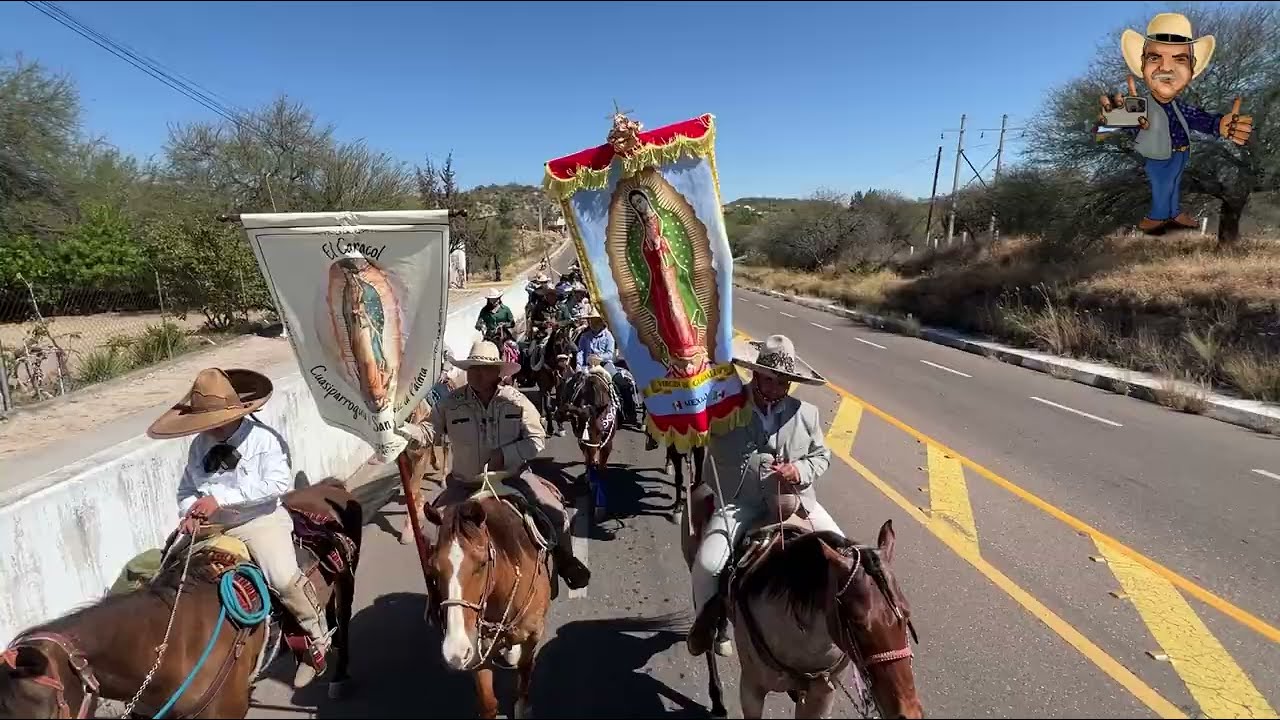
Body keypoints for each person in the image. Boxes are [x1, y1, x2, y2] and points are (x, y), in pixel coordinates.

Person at [146, 368, 331, 687]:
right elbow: (187, 489)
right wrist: (190, 510)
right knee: (167, 574)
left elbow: (276, 484)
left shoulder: (264, 439)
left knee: (283, 579)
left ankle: (317, 638)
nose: (208, 427)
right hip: (213, 526)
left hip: (258, 520)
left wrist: (221, 499)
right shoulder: (199, 445)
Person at [685, 335, 839, 657]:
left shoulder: (806, 413)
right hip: (740, 502)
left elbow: (822, 456)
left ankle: (841, 637)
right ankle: (706, 625)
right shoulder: (724, 404)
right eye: (769, 380)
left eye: (783, 382)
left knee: (844, 557)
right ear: (755, 375)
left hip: (796, 503)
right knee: (708, 564)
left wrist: (799, 470)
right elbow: (694, 421)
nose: (775, 388)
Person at [399, 340, 591, 590]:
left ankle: (566, 563)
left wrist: (506, 454)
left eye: (484, 368)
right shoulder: (451, 403)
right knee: (433, 534)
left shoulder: (516, 400)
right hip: (466, 484)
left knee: (556, 515)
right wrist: (400, 432)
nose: (477, 373)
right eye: (473, 368)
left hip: (512, 478)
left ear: (497, 373)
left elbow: (537, 439)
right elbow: (427, 431)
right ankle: (442, 595)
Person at [1098, 13, 1252, 233]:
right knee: (1162, 185)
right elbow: (1110, 126)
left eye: (1179, 59)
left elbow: (1200, 119)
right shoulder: (1139, 107)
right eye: (1154, 58)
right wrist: (1108, 121)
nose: (1166, 68)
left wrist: (1219, 125)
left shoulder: (1181, 107)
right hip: (1158, 155)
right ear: (1142, 66)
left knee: (1174, 183)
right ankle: (1158, 216)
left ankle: (1173, 213)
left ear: (1191, 69)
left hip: (1181, 152)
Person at [628, 189, 707, 377]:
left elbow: (678, 245)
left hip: (670, 271)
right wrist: (649, 248)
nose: (639, 206)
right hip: (656, 276)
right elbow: (640, 253)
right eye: (636, 204)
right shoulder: (642, 226)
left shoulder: (664, 219)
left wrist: (662, 246)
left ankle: (687, 343)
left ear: (647, 199)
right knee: (663, 311)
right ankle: (673, 347)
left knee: (675, 306)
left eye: (640, 201)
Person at [576, 306, 617, 375]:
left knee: (615, 376)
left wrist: (598, 357)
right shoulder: (584, 336)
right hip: (587, 365)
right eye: (591, 321)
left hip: (605, 364)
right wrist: (579, 365)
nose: (593, 324)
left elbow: (610, 354)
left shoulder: (608, 336)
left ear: (601, 322)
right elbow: (581, 352)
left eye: (596, 321)